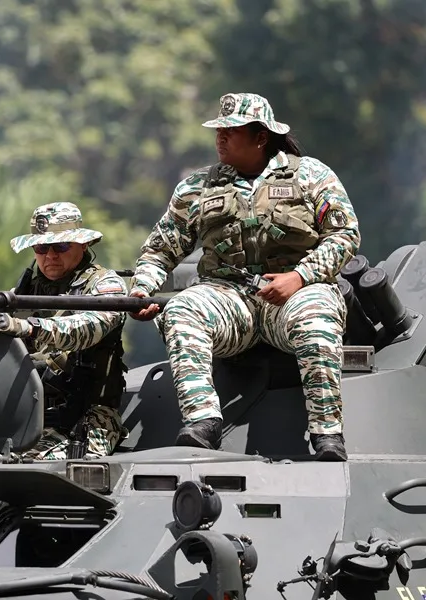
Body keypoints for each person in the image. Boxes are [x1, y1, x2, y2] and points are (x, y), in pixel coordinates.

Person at [128, 92, 360, 461]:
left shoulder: (311, 175)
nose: (220, 138)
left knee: (316, 319)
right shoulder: (197, 188)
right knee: (182, 309)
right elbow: (160, 250)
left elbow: (344, 235)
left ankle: (326, 433)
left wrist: (299, 277)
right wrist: (142, 289)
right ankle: (203, 421)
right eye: (218, 131)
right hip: (230, 300)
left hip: (295, 295)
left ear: (260, 137)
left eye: (231, 132)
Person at [0, 202, 129, 461]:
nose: (50, 255)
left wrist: (27, 327)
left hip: (86, 421)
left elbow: (85, 328)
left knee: (28, 468)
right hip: (24, 419)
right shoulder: (22, 294)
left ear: (83, 245)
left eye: (61, 246)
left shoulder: (106, 286)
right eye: (41, 248)